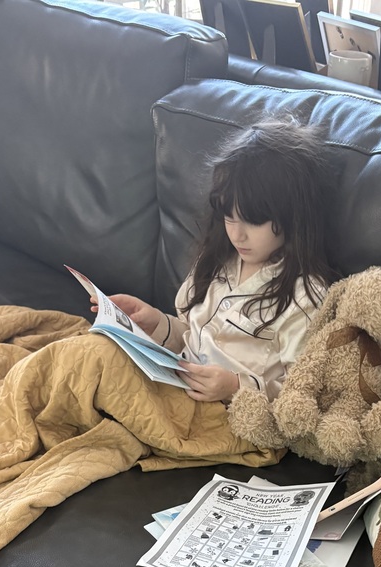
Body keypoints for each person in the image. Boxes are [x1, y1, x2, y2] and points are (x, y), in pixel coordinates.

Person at [92, 119, 337, 403]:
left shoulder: (305, 297)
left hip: (229, 418)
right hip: (174, 389)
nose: (237, 234)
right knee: (91, 356)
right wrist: (154, 323)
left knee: (87, 366)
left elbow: (301, 395)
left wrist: (236, 388)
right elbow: (190, 336)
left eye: (253, 221)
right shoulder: (219, 261)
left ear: (293, 216)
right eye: (229, 217)